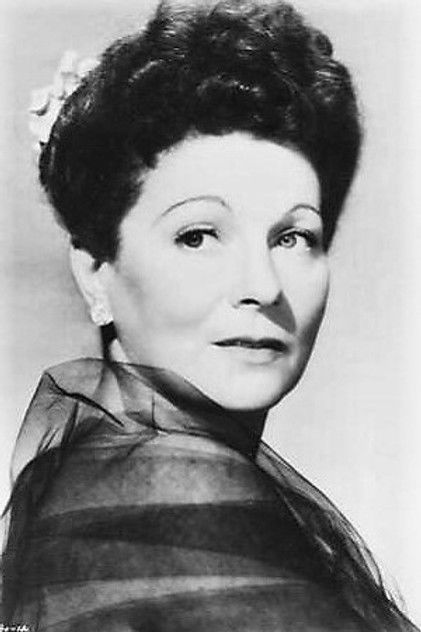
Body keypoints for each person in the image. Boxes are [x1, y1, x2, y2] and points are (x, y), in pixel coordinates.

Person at [1, 0, 418, 630]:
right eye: (198, 235)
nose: (262, 286)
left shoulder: (108, 478)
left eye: (293, 237)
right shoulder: (173, 489)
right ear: (95, 274)